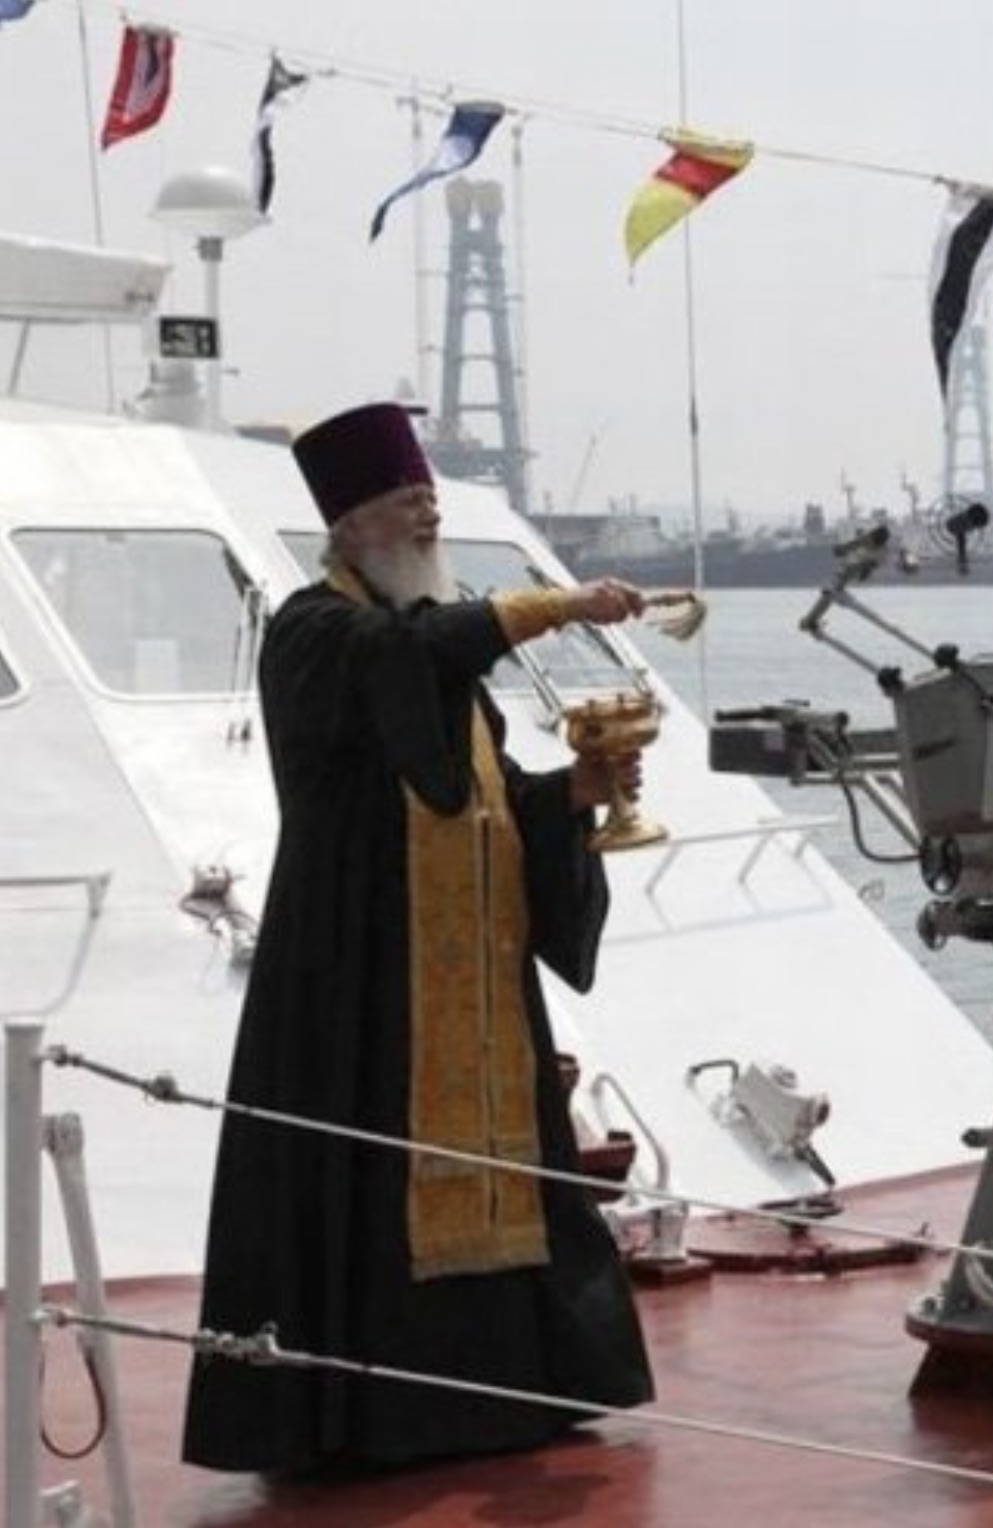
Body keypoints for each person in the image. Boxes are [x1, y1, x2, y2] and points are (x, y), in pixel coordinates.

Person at [182, 402, 655, 1474]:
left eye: (431, 503)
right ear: (350, 528)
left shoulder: (435, 662)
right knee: (369, 1176)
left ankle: (513, 1393)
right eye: (409, 505)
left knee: (511, 1166)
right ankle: (374, 1416)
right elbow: (411, 654)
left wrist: (571, 793)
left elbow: (473, 795)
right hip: (358, 976)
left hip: (472, 979)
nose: (426, 517)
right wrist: (560, 603)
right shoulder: (317, 631)